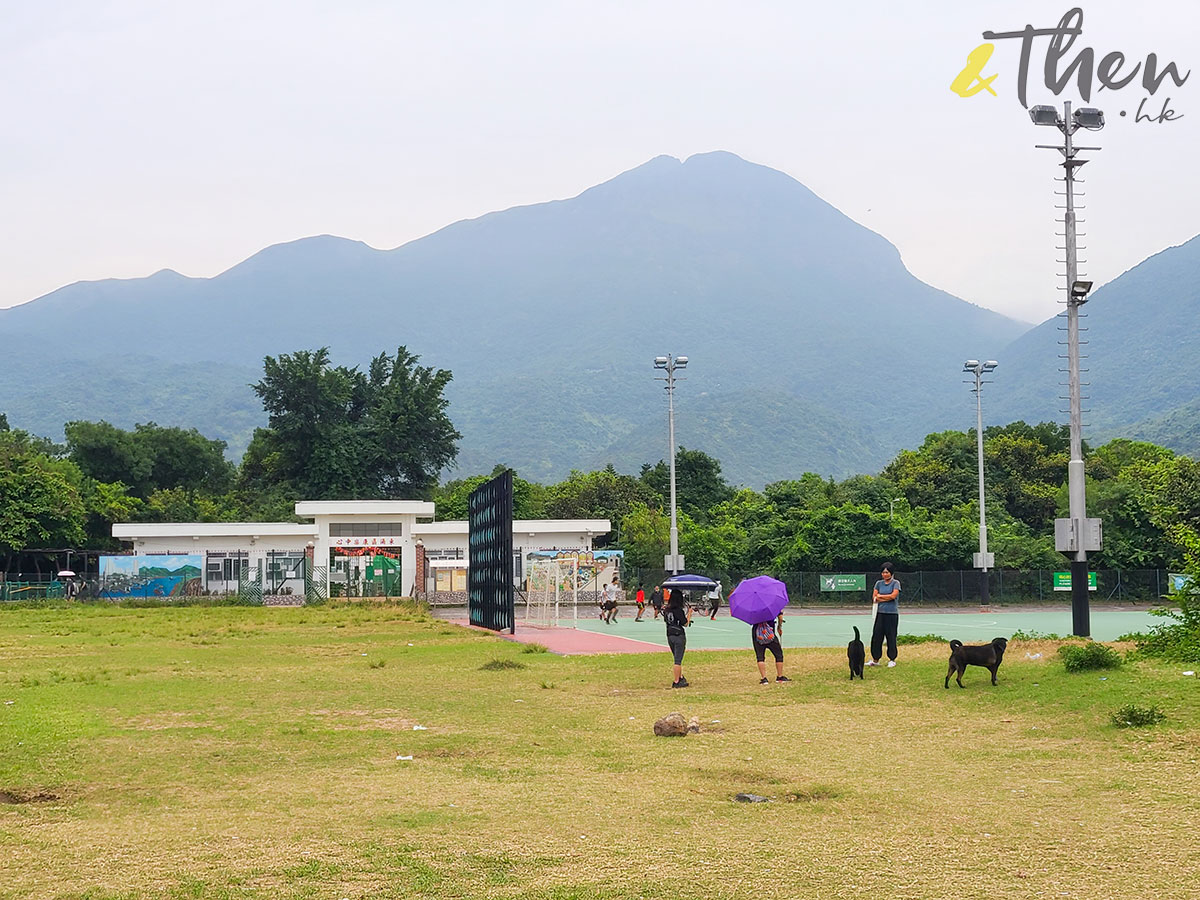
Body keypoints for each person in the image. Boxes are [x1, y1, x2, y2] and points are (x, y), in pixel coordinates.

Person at [868, 562, 901, 667]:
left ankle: (892, 659)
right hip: (880, 614)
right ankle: (875, 659)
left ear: (891, 573)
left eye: (887, 572)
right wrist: (882, 597)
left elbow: (893, 596)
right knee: (877, 636)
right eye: (883, 572)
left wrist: (880, 596)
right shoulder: (878, 583)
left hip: (892, 614)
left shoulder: (896, 583)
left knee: (891, 636)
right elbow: (874, 597)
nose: (885, 574)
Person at [663, 589, 692, 687]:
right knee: (678, 660)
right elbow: (685, 623)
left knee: (676, 656)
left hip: (670, 635)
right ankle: (676, 681)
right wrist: (689, 614)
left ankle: (680, 677)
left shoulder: (667, 610)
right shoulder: (678, 610)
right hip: (678, 635)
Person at [751, 612, 790, 684]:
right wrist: (779, 627)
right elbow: (780, 617)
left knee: (760, 656)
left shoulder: (753, 608)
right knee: (778, 654)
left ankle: (764, 678)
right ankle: (780, 676)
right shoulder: (771, 605)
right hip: (770, 632)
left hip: (757, 633)